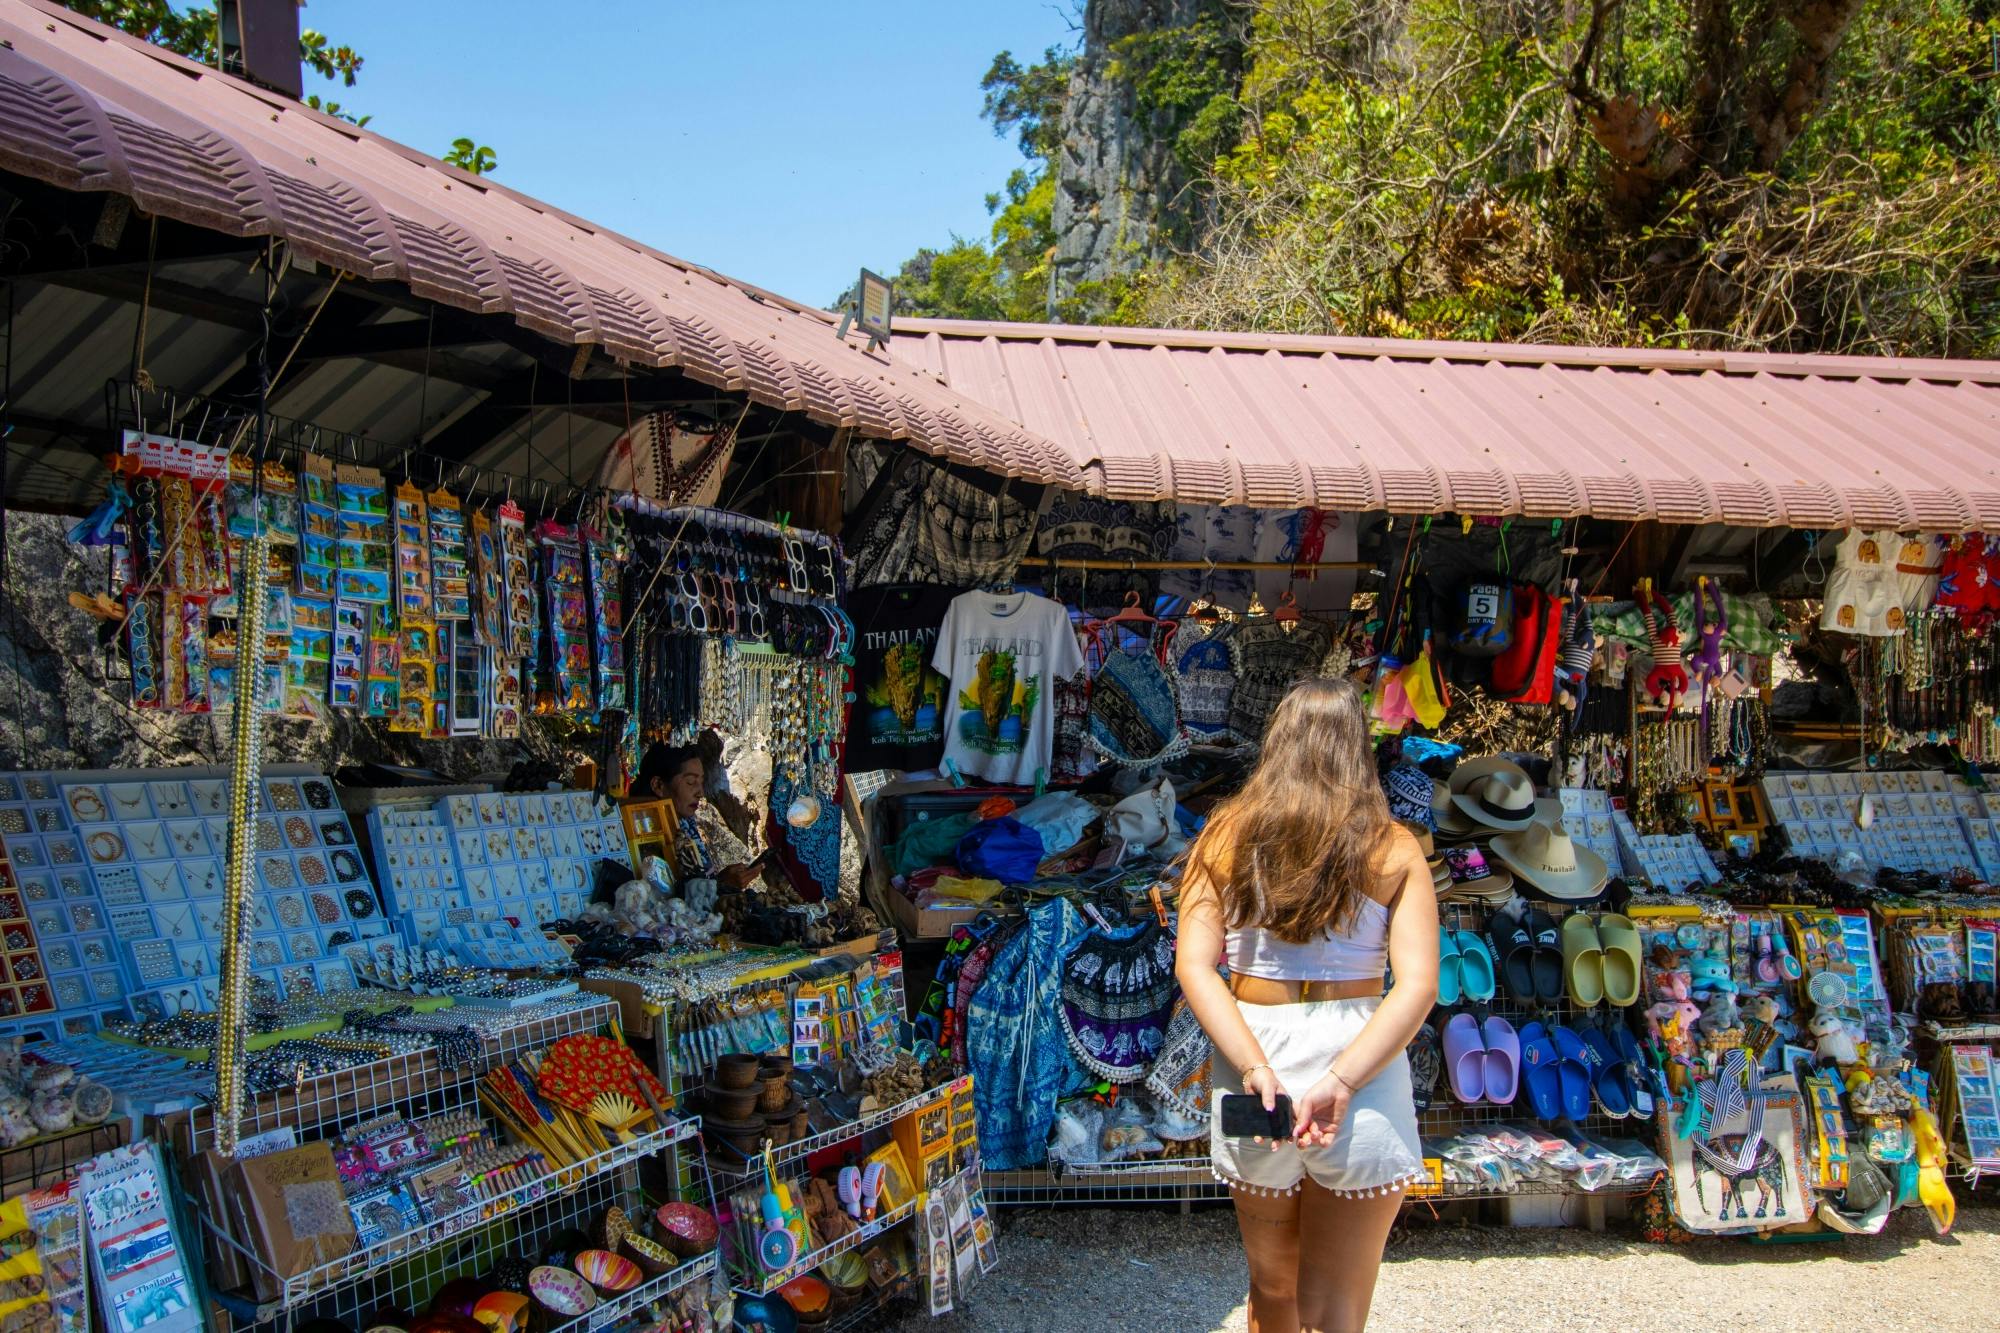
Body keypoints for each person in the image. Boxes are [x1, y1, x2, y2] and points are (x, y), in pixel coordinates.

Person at [1175, 678, 1439, 1333]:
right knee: (1336, 1312)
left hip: (1252, 1065)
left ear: (1277, 741)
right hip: (1360, 1073)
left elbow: (1194, 966)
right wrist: (1344, 1079)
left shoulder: (1222, 835)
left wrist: (1256, 1065)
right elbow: (1417, 985)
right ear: (1358, 747)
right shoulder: (1395, 847)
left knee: (1271, 1288)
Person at [635, 742, 762, 890]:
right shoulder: (642, 834)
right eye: (690, 782)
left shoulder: (685, 825)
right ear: (658, 785)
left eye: (701, 782)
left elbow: (698, 883)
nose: (700, 792)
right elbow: (666, 900)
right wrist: (719, 885)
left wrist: (722, 882)